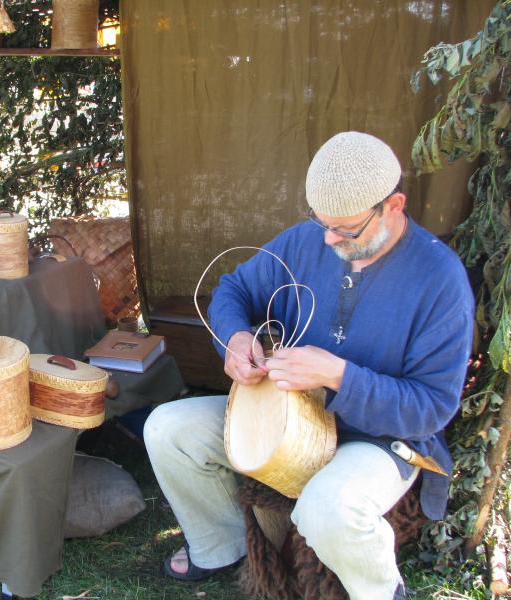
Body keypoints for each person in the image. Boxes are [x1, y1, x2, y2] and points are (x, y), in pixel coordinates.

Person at [143, 131, 474, 600]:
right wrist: (235, 339)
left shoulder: (439, 280)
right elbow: (234, 290)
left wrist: (338, 376)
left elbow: (431, 409)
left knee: (327, 510)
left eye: (346, 230)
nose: (329, 239)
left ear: (393, 205)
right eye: (321, 222)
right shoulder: (306, 242)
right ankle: (222, 547)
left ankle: (382, 591)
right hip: (289, 416)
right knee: (168, 430)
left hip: (377, 439)